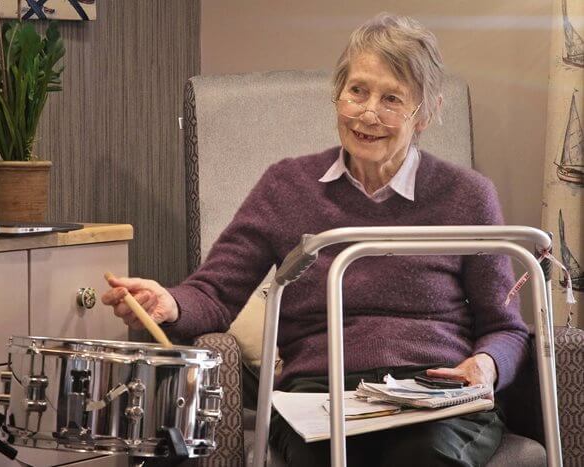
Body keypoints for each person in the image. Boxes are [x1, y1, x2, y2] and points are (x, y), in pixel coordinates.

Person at [102, 13, 529, 467]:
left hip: (433, 391)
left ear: (424, 113)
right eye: (357, 91)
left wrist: (485, 365)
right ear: (338, 93)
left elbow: (505, 327)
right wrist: (169, 303)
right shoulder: (286, 186)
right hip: (319, 393)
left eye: (391, 99)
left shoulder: (467, 196)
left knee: (422, 456)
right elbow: (215, 292)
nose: (368, 113)